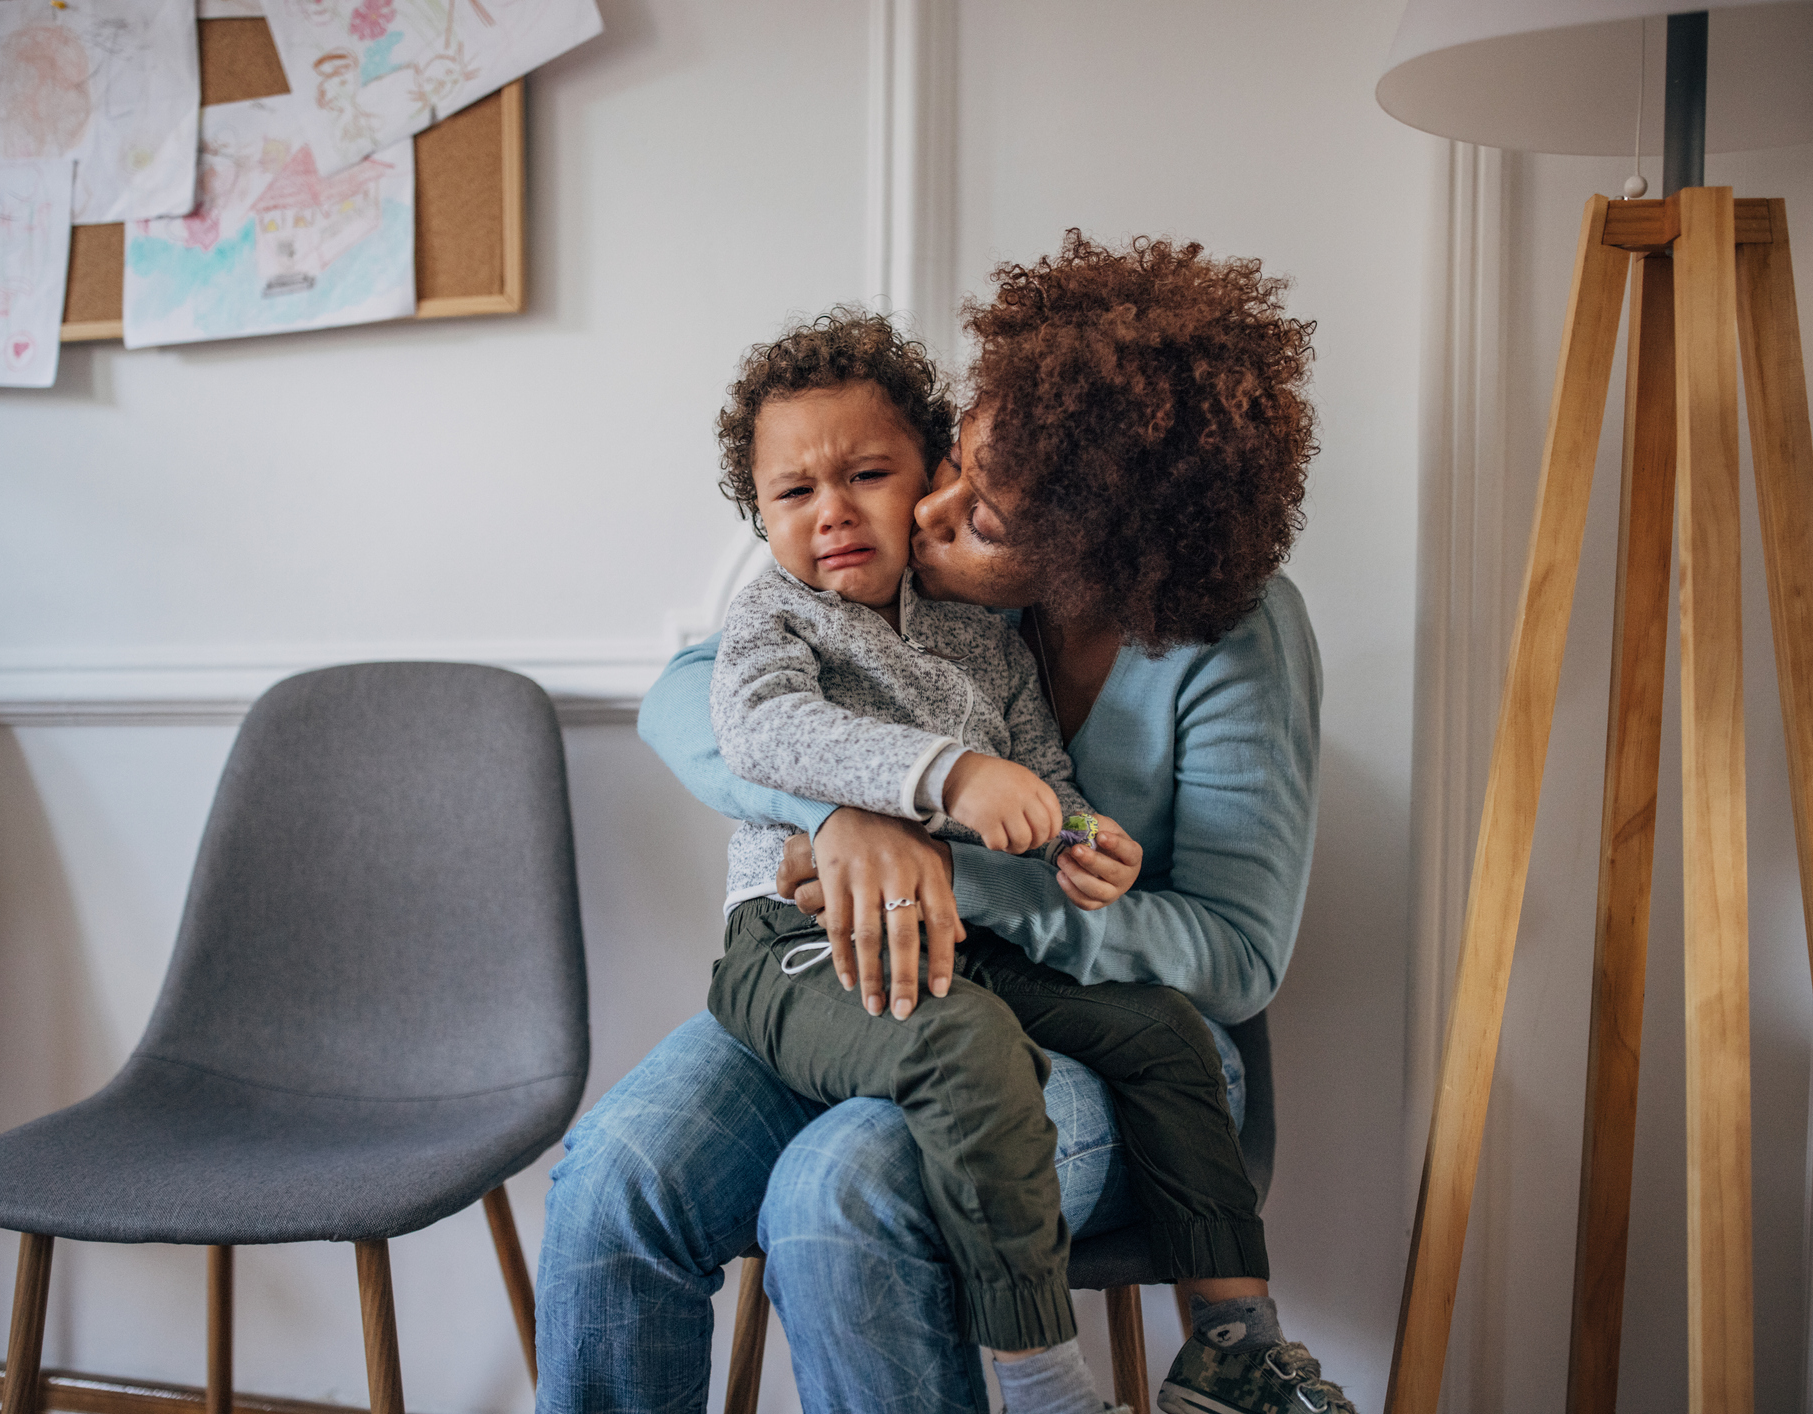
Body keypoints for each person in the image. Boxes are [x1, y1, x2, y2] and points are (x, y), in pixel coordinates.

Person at [535, 233, 1354, 1414]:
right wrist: (845, 812)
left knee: (843, 1191)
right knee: (615, 1177)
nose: (929, 510)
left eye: (985, 511)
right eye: (952, 465)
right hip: (861, 969)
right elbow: (692, 698)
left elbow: (1232, 957)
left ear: (1095, 554)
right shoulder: (874, 574)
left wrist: (974, 876)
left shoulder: (1225, 635)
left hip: (1109, 1039)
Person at [705, 309, 1282, 1414]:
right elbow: (754, 727)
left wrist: (1079, 840)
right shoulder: (775, 613)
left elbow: (1036, 765)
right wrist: (933, 783)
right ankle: (1043, 1379)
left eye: (877, 474)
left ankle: (1237, 1341)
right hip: (798, 940)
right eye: (791, 494)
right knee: (967, 1053)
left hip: (964, 943)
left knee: (1162, 1032)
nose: (856, 512)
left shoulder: (980, 626)